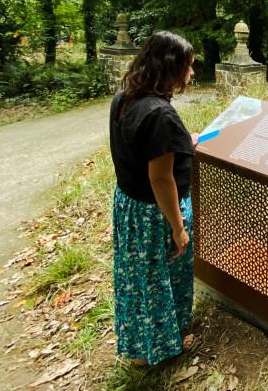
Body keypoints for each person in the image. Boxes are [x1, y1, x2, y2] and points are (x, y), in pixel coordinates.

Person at [109, 31, 198, 366]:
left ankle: (139, 348)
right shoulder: (161, 115)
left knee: (138, 279)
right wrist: (178, 228)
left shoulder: (125, 97)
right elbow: (160, 178)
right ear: (171, 67)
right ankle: (165, 345)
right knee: (166, 278)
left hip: (129, 206)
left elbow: (142, 147)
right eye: (188, 67)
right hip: (155, 214)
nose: (191, 74)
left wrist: (180, 142)